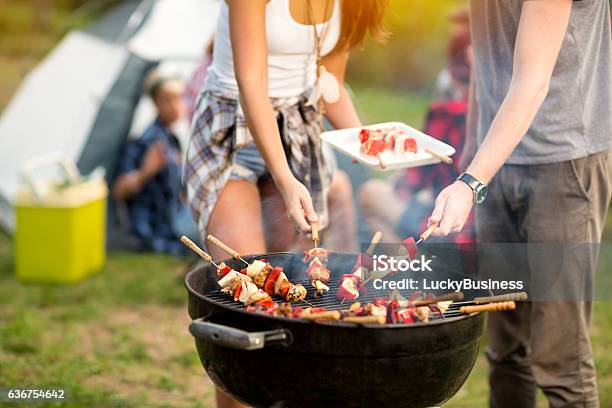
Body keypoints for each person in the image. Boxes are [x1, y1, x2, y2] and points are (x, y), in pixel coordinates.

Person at [185, 1, 388, 406]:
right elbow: (251, 82)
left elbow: (328, 81)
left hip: (298, 132)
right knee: (244, 305)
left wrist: (367, 142)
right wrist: (284, 176)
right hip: (232, 129)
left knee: (293, 302)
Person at [429, 1, 611, 407]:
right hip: (498, 164)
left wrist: (471, 181)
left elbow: (531, 81)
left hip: (563, 161)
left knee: (561, 359)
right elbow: (488, 58)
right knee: (506, 349)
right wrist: (473, 156)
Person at [359, 26, 473, 244]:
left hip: (449, 227)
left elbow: (413, 182)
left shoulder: (448, 112)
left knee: (371, 192)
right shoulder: (505, 117)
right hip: (488, 229)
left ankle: (410, 270)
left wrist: (398, 180)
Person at [113, 71, 197, 256]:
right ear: (155, 104)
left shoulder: (171, 136)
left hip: (174, 215)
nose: (176, 105)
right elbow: (118, 190)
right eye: (167, 100)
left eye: (179, 98)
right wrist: (145, 172)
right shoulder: (147, 140)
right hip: (158, 226)